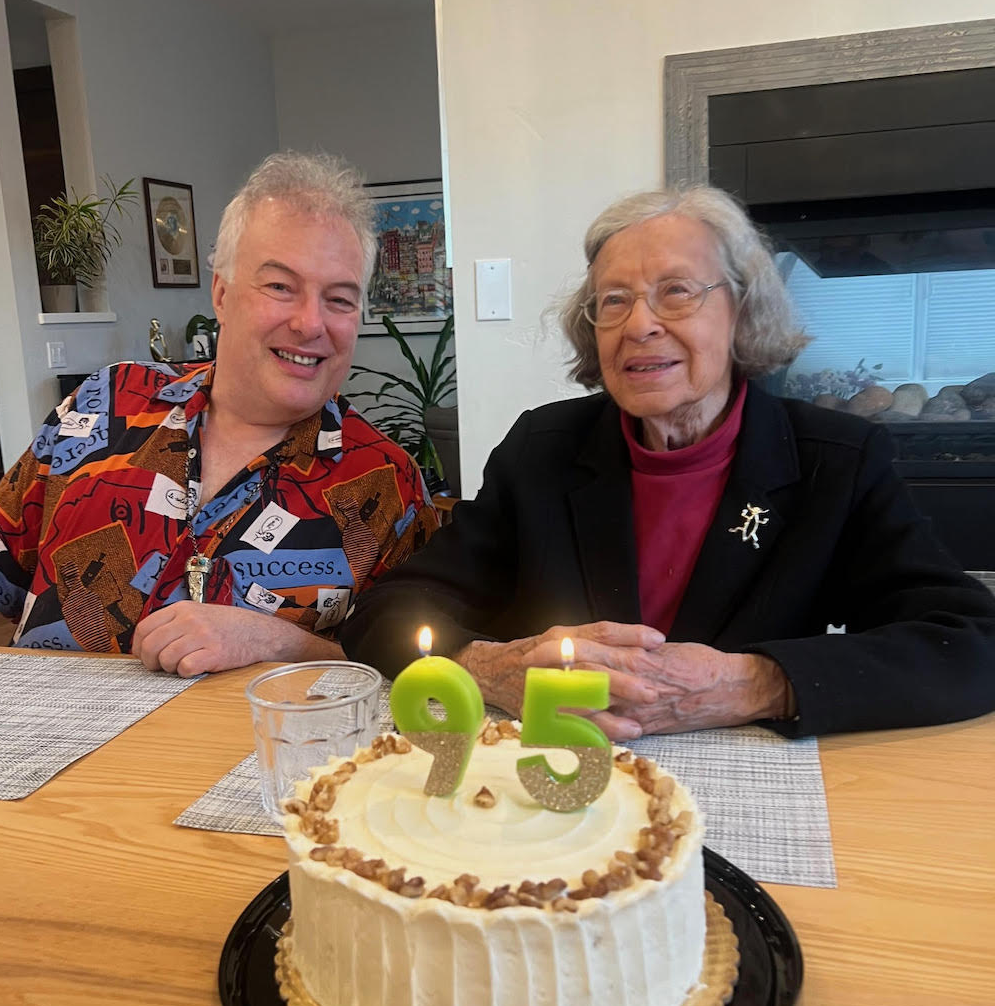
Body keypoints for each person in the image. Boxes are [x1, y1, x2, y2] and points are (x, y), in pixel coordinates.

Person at [341, 185, 995, 738]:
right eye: (614, 301)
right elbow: (388, 609)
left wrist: (756, 683)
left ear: (740, 312)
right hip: (557, 785)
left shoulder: (837, 461)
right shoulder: (542, 450)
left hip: (750, 782)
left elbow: (971, 640)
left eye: (676, 292)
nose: (639, 325)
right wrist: (480, 666)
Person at [0, 152, 438, 675]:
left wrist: (280, 641)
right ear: (223, 294)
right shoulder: (110, 401)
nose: (310, 322)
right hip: (36, 743)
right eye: (280, 286)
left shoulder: (386, 483)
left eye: (340, 300)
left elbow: (401, 668)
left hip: (233, 752)